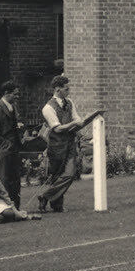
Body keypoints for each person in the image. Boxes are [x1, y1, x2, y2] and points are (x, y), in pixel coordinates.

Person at [39, 76, 87, 210]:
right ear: (57, 89)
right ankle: (57, 206)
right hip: (56, 145)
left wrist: (80, 124)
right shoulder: (48, 108)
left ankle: (45, 196)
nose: (69, 91)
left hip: (70, 143)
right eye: (66, 89)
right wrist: (74, 123)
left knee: (70, 174)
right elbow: (57, 128)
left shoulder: (70, 102)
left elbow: (76, 118)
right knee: (57, 175)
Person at [0, 81, 24, 206]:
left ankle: (15, 207)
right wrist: (6, 146)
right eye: (15, 94)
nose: (17, 97)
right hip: (2, 150)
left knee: (15, 179)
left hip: (15, 148)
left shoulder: (14, 107)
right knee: (2, 179)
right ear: (7, 93)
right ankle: (2, 207)